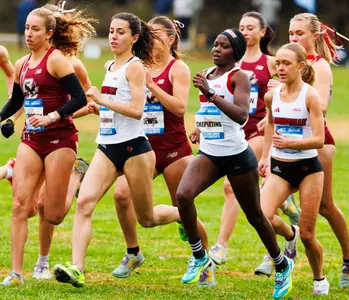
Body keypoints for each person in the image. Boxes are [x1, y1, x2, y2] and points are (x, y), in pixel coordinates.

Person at [51, 12, 181, 288]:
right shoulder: (110, 65)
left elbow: (136, 111)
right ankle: (77, 268)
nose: (113, 36)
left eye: (120, 32)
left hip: (135, 149)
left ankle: (183, 214)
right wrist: (101, 109)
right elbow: (114, 108)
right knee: (84, 202)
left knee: (147, 219)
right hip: (107, 146)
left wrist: (102, 99)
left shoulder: (135, 67)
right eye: (111, 31)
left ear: (134, 38)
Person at [175, 28, 292, 298]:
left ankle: (281, 263)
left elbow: (240, 115)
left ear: (235, 52)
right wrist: (199, 128)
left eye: (224, 46)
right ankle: (199, 256)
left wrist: (211, 94)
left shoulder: (239, 77)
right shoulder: (207, 74)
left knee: (255, 217)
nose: (216, 49)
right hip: (210, 153)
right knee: (183, 196)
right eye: (215, 44)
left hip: (237, 156)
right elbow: (208, 110)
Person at [256, 12, 349, 289]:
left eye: (299, 34)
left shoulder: (320, 67)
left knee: (325, 206)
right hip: (284, 146)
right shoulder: (284, 61)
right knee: (267, 203)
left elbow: (321, 107)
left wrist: (290, 87)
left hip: (319, 143)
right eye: (290, 34)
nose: (293, 38)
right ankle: (279, 250)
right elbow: (275, 109)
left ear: (314, 36)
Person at [111, 15, 209, 278]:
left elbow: (179, 107)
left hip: (174, 150)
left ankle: (204, 262)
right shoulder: (136, 65)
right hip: (144, 148)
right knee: (121, 195)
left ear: (169, 39)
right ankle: (133, 252)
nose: (149, 40)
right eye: (147, 35)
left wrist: (152, 84)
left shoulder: (178, 68)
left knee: (186, 210)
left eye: (154, 35)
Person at [0, 5, 91, 286]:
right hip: (32, 139)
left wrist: (52, 117)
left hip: (60, 140)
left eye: (35, 29)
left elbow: (80, 99)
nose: (28, 33)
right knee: (19, 205)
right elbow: (17, 101)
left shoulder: (58, 61)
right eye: (27, 28)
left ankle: (77, 175)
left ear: (49, 33)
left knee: (51, 215)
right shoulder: (23, 63)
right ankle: (16, 274)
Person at [208, 11, 300, 265]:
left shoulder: (271, 63)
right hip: (232, 129)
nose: (245, 31)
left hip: (258, 129)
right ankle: (287, 222)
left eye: (250, 27)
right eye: (241, 27)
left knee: (230, 187)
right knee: (256, 203)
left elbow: (290, 87)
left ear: (262, 32)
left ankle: (220, 247)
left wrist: (276, 97)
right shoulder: (229, 62)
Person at [260, 42, 329, 295]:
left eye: (286, 63)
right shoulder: (272, 95)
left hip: (308, 168)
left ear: (300, 66)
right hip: (280, 167)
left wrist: (292, 142)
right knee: (261, 216)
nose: (280, 67)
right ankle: (289, 238)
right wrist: (266, 156)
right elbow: (269, 123)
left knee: (309, 236)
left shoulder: (310, 95)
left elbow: (320, 139)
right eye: (277, 63)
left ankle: (319, 278)